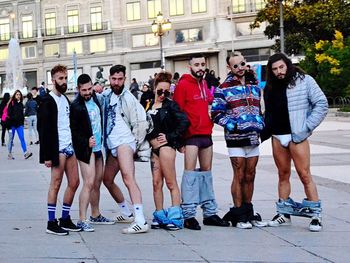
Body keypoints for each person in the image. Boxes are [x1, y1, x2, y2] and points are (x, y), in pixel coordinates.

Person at [261, 53, 328, 232]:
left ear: (288, 65)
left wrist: (306, 127)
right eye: (274, 69)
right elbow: (268, 111)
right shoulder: (270, 86)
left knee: (304, 174)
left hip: (297, 135)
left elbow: (321, 103)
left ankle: (316, 215)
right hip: (277, 136)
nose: (278, 72)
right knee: (282, 174)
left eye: (281, 67)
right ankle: (284, 213)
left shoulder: (305, 80)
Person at [173, 53, 229, 230]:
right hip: (190, 136)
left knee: (206, 175)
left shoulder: (204, 83)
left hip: (206, 134)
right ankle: (188, 215)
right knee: (189, 176)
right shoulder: (183, 85)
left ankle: (210, 213)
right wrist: (179, 140)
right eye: (196, 65)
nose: (200, 68)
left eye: (202, 64)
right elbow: (177, 112)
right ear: (190, 67)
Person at [211, 51, 266, 229]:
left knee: (251, 175)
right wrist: (232, 124)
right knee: (239, 174)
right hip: (235, 138)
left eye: (242, 64)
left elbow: (260, 109)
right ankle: (238, 213)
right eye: (235, 66)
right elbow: (216, 113)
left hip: (253, 137)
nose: (240, 68)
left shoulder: (254, 85)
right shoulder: (223, 87)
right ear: (229, 67)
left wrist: (261, 123)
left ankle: (248, 212)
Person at [102, 64, 150, 234]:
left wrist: (134, 145)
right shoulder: (106, 95)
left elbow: (141, 122)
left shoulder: (129, 98)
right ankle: (125, 211)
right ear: (109, 79)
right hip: (112, 144)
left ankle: (140, 220)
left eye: (120, 79)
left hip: (125, 142)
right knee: (107, 179)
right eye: (114, 79)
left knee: (128, 178)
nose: (116, 82)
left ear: (124, 79)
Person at [39, 64, 81, 235]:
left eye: (65, 78)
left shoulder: (65, 99)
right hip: (57, 149)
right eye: (60, 78)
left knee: (74, 182)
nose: (63, 81)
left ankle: (65, 218)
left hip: (69, 147)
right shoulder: (47, 101)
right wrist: (47, 156)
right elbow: (44, 131)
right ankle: (51, 222)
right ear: (53, 80)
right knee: (55, 184)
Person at [70, 74, 115, 232]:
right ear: (78, 89)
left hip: (98, 148)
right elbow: (73, 131)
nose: (88, 92)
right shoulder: (76, 106)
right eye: (84, 90)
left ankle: (96, 215)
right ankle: (82, 219)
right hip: (85, 150)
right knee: (88, 183)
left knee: (97, 183)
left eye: (90, 89)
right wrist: (85, 142)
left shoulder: (96, 99)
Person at [146, 71, 189, 230]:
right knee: (156, 183)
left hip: (166, 149)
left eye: (166, 91)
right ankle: (159, 214)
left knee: (171, 182)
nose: (163, 94)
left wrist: (170, 137)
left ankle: (176, 216)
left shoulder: (170, 105)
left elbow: (184, 122)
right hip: (154, 150)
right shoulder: (148, 104)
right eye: (160, 91)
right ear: (154, 89)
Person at [7, 90, 33, 160]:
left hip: (19, 125)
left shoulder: (21, 104)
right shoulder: (11, 103)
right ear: (14, 95)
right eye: (17, 94)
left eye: (19, 94)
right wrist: (14, 119)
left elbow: (22, 114)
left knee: (22, 138)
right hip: (12, 124)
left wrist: (22, 122)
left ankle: (25, 153)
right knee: (11, 139)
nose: (18, 96)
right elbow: (9, 114)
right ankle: (9, 153)